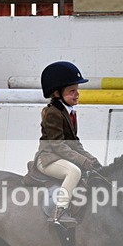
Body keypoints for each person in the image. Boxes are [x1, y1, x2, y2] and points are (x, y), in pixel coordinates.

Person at [33, 61, 102, 226]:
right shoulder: (53, 113)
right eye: (72, 91)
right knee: (74, 172)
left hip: (61, 157)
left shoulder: (69, 112)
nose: (77, 94)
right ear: (57, 93)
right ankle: (59, 212)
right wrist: (82, 161)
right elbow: (58, 145)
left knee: (88, 172)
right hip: (48, 159)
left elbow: (75, 144)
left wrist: (92, 160)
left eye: (77, 90)